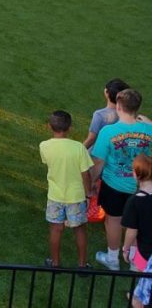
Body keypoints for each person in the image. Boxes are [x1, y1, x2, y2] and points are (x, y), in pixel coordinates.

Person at [92, 88, 152, 270]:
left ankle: (113, 259)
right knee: (140, 222)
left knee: (113, 220)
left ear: (118, 106)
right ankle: (136, 261)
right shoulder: (148, 130)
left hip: (113, 186)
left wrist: (93, 181)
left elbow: (98, 162)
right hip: (141, 185)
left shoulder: (109, 132)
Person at [38, 110, 93, 268]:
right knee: (80, 230)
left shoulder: (44, 146)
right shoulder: (78, 148)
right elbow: (85, 174)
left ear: (49, 126)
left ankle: (55, 264)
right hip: (76, 196)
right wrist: (88, 193)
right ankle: (82, 265)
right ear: (70, 127)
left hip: (55, 196)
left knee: (56, 229)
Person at [124, 155, 152, 274]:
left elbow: (132, 231)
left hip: (145, 252)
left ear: (136, 175)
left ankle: (137, 293)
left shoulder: (134, 201)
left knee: (143, 278)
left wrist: (126, 249)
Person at [83, 78, 129, 149]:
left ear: (106, 93)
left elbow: (91, 139)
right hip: (120, 151)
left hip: (100, 153)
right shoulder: (129, 113)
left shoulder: (99, 115)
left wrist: (80, 151)